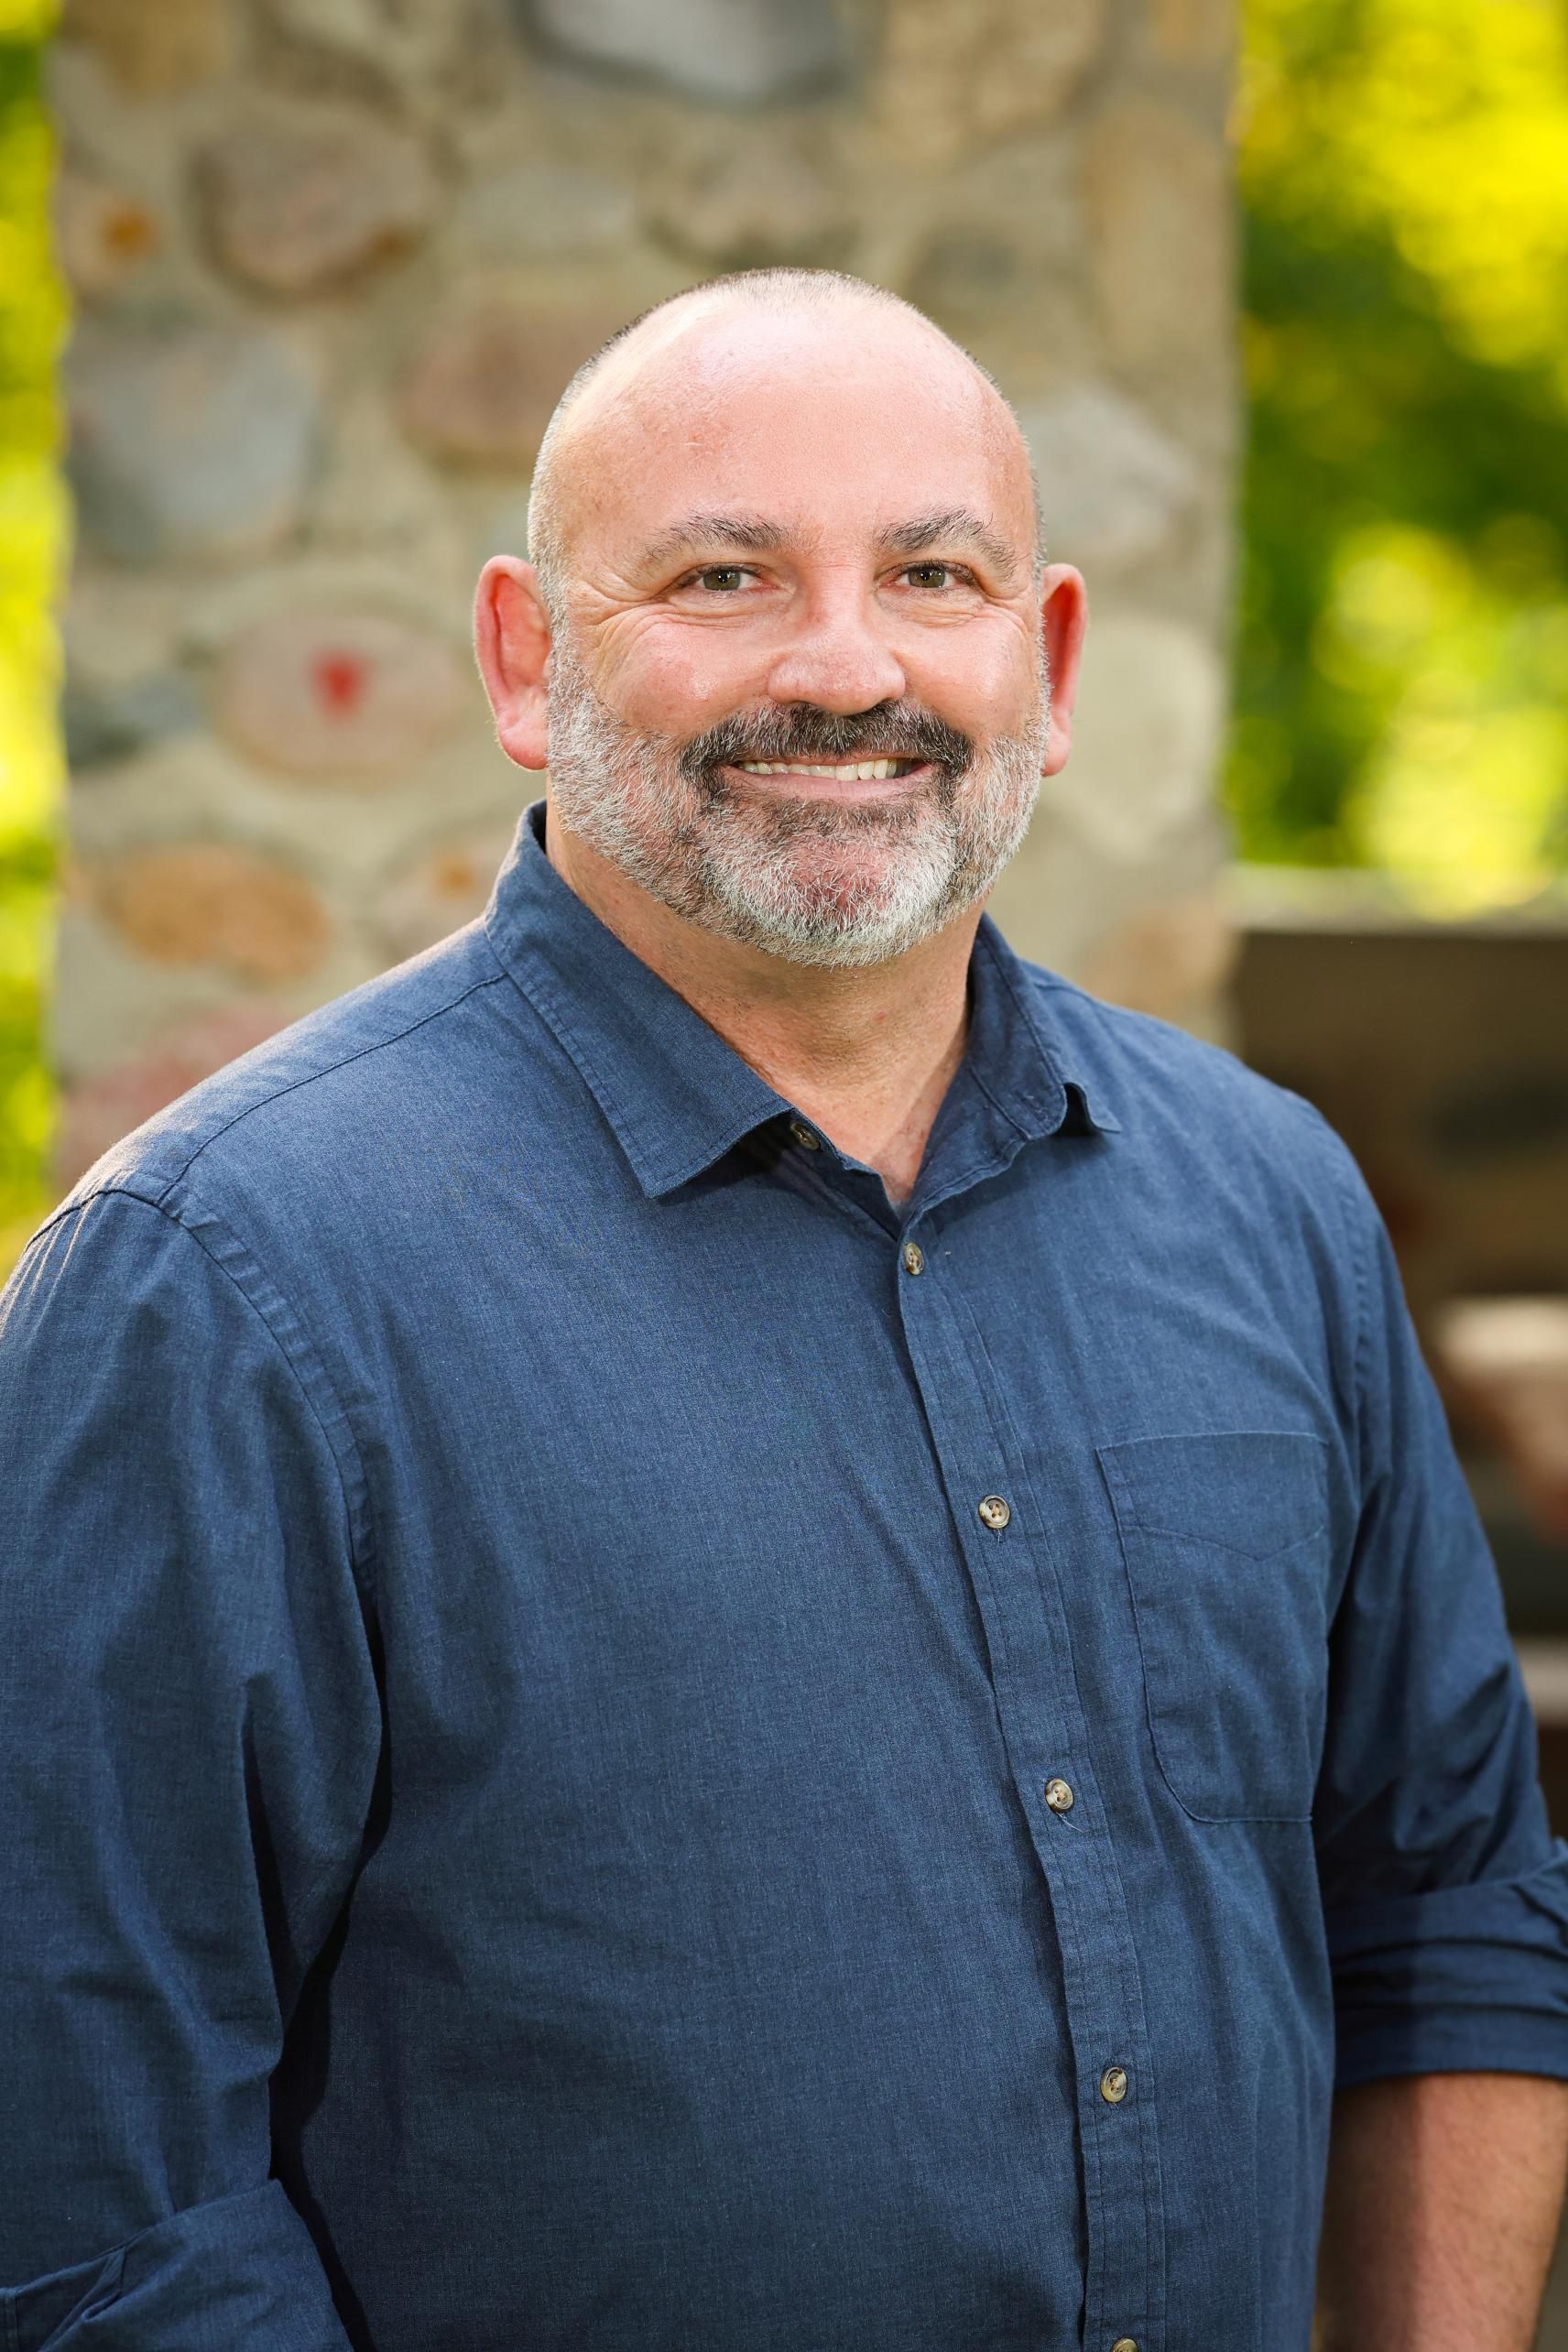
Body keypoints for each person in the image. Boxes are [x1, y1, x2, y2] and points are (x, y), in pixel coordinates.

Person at [2, 267, 1565, 2352]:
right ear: (525, 659)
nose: (845, 667)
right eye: (724, 577)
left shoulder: (1268, 1201)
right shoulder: (216, 1283)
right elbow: (95, 2197)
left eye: (932, 575)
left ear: (1048, 661)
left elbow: (1450, 1915)